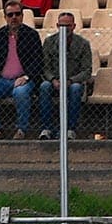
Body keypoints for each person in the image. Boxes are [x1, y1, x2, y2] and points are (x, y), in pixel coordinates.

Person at [0, 0, 42, 140]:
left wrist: (26, 77)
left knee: (20, 92)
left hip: (24, 79)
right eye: (10, 14)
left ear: (22, 16)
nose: (14, 17)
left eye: (17, 14)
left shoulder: (32, 35)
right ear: (5, 17)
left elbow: (38, 61)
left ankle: (21, 129)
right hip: (1, 80)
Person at [38, 11, 93, 140]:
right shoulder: (49, 42)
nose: (65, 29)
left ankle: (70, 129)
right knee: (44, 86)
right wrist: (52, 80)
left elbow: (87, 70)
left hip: (73, 81)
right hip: (54, 81)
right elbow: (45, 67)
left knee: (76, 89)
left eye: (68, 25)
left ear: (74, 26)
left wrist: (71, 80)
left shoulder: (83, 44)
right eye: (62, 26)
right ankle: (47, 128)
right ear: (57, 25)